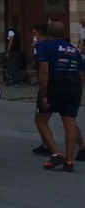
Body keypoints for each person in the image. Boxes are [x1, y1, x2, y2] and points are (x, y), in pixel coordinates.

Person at [33, 19, 84, 171]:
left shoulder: (43, 46)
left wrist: (43, 94)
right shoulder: (73, 49)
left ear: (49, 33)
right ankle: (69, 161)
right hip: (73, 85)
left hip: (54, 84)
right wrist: (79, 90)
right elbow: (81, 74)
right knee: (70, 123)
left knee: (41, 120)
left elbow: (44, 70)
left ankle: (56, 153)